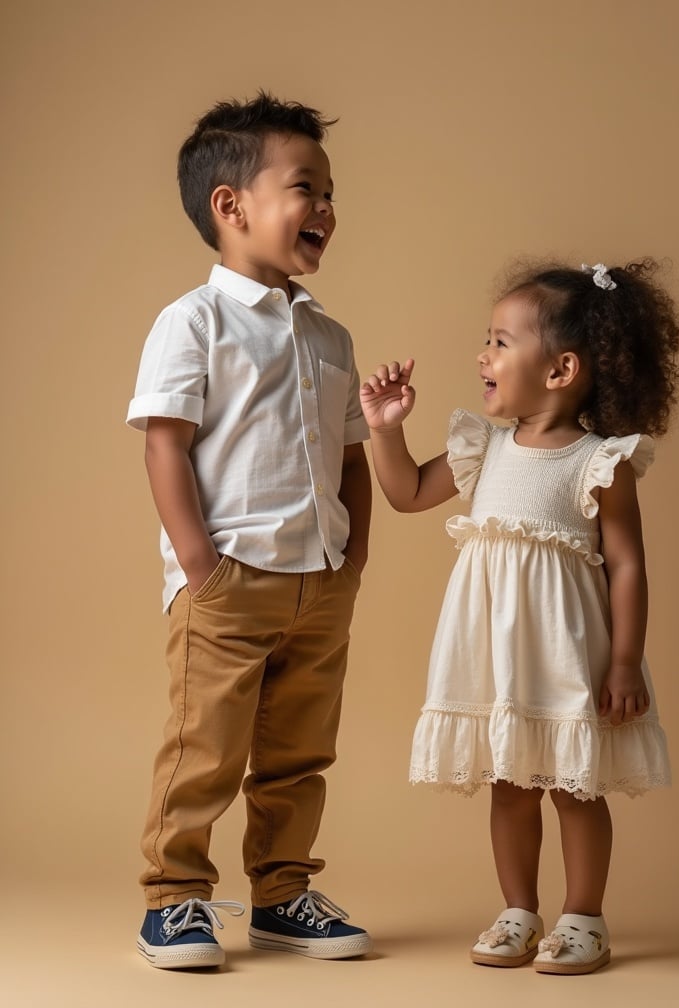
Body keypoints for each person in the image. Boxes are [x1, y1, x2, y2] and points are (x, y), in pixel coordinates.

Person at [360, 259, 679, 975]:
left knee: (575, 787)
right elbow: (409, 492)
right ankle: (518, 910)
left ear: (561, 368)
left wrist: (626, 661)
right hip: (495, 653)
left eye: (501, 342)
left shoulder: (601, 461)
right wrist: (384, 430)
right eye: (488, 340)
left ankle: (583, 918)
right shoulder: (486, 447)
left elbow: (627, 565)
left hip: (568, 654)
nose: (483, 354)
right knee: (510, 785)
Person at [126, 92, 373, 969]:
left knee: (300, 752)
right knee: (206, 749)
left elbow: (352, 457)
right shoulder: (193, 322)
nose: (328, 210)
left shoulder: (331, 336)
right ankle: (176, 898)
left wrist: (352, 560)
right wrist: (201, 568)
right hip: (229, 582)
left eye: (332, 193)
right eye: (308, 188)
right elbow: (166, 444)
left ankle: (282, 893)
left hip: (320, 582)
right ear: (231, 206)